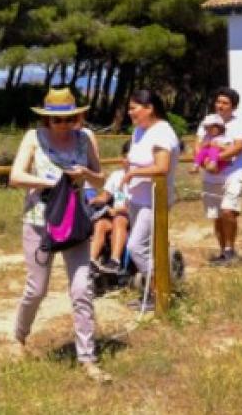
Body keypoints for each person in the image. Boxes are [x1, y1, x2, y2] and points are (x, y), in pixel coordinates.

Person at [9, 87, 109, 382]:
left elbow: (100, 177)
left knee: (82, 288)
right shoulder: (32, 138)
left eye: (69, 119)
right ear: (46, 121)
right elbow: (15, 177)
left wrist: (85, 176)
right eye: (57, 121)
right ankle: (18, 338)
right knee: (36, 289)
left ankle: (87, 357)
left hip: (76, 221)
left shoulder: (86, 138)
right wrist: (51, 183)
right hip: (40, 221)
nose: (64, 126)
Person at [122, 90, 180, 309]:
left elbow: (162, 167)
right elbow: (138, 159)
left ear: (149, 108)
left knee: (137, 247)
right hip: (138, 199)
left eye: (133, 108)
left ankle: (162, 292)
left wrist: (133, 174)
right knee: (147, 247)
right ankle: (152, 293)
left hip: (154, 200)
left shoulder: (162, 133)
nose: (130, 113)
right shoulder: (139, 131)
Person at [199, 87, 242, 265]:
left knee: (229, 211)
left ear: (233, 107)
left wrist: (216, 159)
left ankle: (230, 249)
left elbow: (238, 147)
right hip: (211, 176)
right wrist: (205, 162)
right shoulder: (207, 122)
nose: (220, 106)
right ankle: (222, 251)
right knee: (216, 215)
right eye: (218, 102)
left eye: (225, 103)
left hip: (234, 172)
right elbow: (199, 144)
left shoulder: (240, 123)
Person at [89, 140, 131, 274]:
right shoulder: (117, 176)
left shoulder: (141, 179)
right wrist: (94, 200)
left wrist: (117, 210)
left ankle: (115, 261)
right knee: (101, 223)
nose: (127, 161)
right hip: (114, 213)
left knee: (119, 220)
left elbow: (135, 206)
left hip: (130, 216)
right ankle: (91, 260)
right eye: (125, 157)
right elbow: (106, 196)